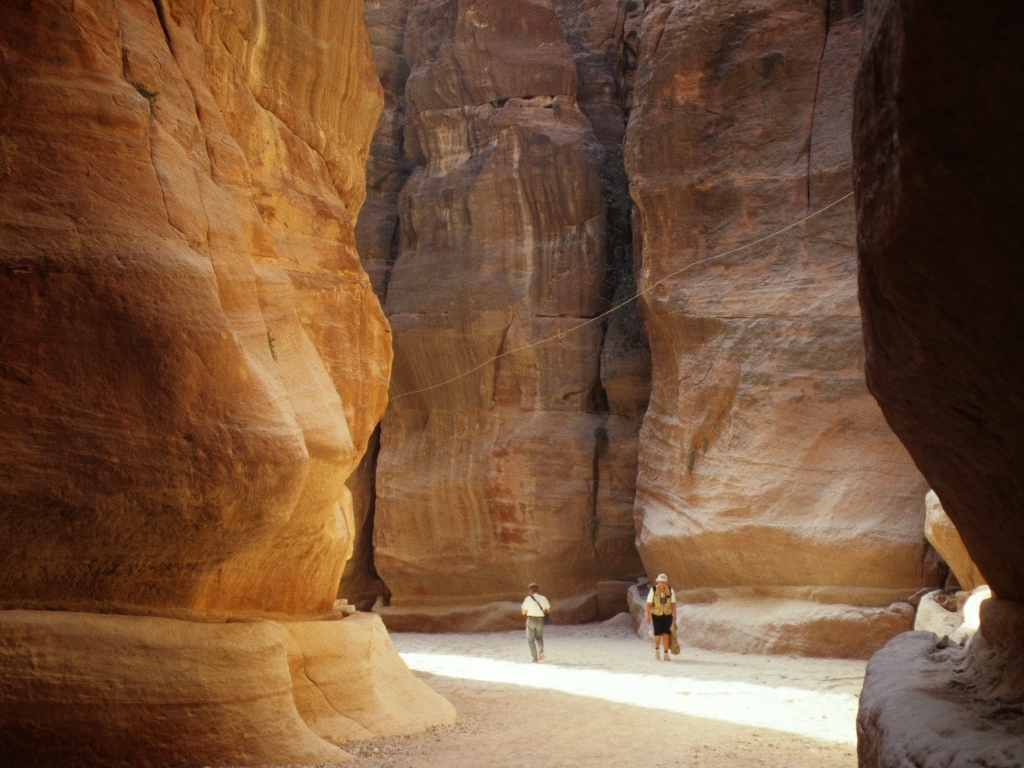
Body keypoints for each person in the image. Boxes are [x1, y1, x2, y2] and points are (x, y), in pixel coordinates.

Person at [644, 573, 677, 661]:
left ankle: (666, 653)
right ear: (658, 582)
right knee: (658, 634)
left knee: (666, 634)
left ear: (665, 582)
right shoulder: (653, 590)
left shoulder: (670, 590)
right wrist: (648, 615)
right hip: (656, 614)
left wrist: (675, 614)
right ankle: (657, 651)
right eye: (660, 582)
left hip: (667, 614)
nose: (661, 583)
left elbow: (673, 603)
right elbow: (648, 604)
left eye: (663, 582)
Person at [521, 583, 551, 662]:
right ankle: (540, 651)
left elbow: (523, 612)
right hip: (540, 620)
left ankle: (535, 659)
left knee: (531, 640)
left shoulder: (528, 599)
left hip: (530, 619)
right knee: (539, 637)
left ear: (530, 590)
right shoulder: (543, 598)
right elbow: (548, 610)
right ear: (538, 590)